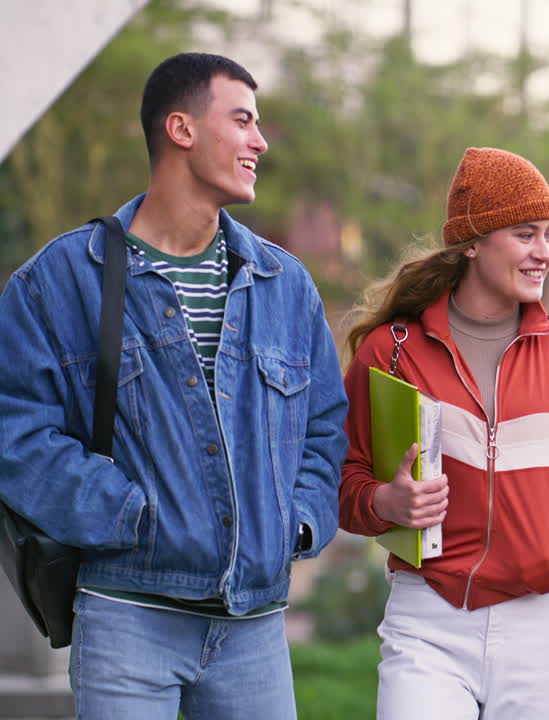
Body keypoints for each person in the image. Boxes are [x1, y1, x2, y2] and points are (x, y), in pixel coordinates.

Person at [0, 53, 348, 718]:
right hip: (127, 617)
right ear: (182, 129)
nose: (260, 141)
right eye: (242, 120)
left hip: (255, 631)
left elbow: (323, 428)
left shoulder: (285, 285)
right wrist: (125, 513)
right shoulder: (62, 279)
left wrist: (295, 524)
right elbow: (13, 428)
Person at [338, 147, 549, 719]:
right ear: (473, 242)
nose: (544, 252)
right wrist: (387, 500)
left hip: (542, 624)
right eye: (526, 234)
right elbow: (343, 481)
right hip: (427, 617)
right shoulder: (393, 351)